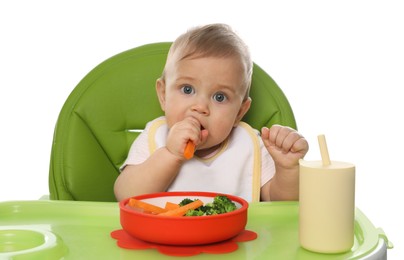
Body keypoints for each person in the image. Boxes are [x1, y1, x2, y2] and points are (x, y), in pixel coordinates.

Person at [114, 23, 309, 202]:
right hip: (167, 238)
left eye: (219, 97)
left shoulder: (251, 144)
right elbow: (125, 195)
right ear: (163, 95)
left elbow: (280, 203)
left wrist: (287, 170)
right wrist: (170, 154)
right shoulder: (156, 137)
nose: (200, 107)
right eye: (187, 89)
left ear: (240, 112)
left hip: (237, 239)